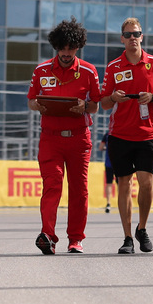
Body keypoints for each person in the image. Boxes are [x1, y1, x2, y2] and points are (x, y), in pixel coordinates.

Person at [27, 17, 100, 254]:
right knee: (52, 185)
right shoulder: (41, 70)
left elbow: (96, 106)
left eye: (71, 48)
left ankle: (76, 239)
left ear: (78, 46)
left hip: (79, 138)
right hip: (50, 138)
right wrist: (38, 106)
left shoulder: (89, 71)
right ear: (56, 47)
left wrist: (84, 106)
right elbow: (30, 100)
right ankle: (47, 235)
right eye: (62, 48)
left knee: (79, 189)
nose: (66, 53)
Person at [100, 17, 153, 255]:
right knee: (123, 184)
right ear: (122, 39)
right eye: (128, 35)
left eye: (136, 34)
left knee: (146, 183)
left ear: (142, 36)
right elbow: (103, 103)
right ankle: (128, 237)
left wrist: (151, 97)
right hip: (119, 134)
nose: (132, 38)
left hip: (147, 134)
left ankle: (143, 228)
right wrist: (113, 98)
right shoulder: (113, 67)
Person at [97, 131, 114, 213]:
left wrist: (107, 148)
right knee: (122, 183)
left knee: (109, 183)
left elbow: (100, 147)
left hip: (109, 163)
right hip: (119, 162)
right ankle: (123, 202)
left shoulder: (107, 135)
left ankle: (108, 203)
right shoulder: (121, 133)